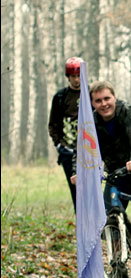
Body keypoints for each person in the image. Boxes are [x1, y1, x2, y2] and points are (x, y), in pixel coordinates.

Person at [69, 81, 131, 233]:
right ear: (92, 104)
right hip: (117, 169)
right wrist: (77, 171)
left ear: (114, 97)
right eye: (98, 101)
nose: (104, 104)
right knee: (108, 216)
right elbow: (81, 149)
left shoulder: (129, 112)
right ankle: (117, 250)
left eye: (107, 98)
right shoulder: (90, 123)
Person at [48, 57, 83, 210]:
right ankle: (82, 227)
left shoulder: (91, 94)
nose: (76, 80)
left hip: (90, 150)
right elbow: (53, 124)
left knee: (93, 190)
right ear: (68, 77)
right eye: (73, 76)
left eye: (79, 76)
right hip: (68, 151)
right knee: (76, 190)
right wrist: (59, 145)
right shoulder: (61, 97)